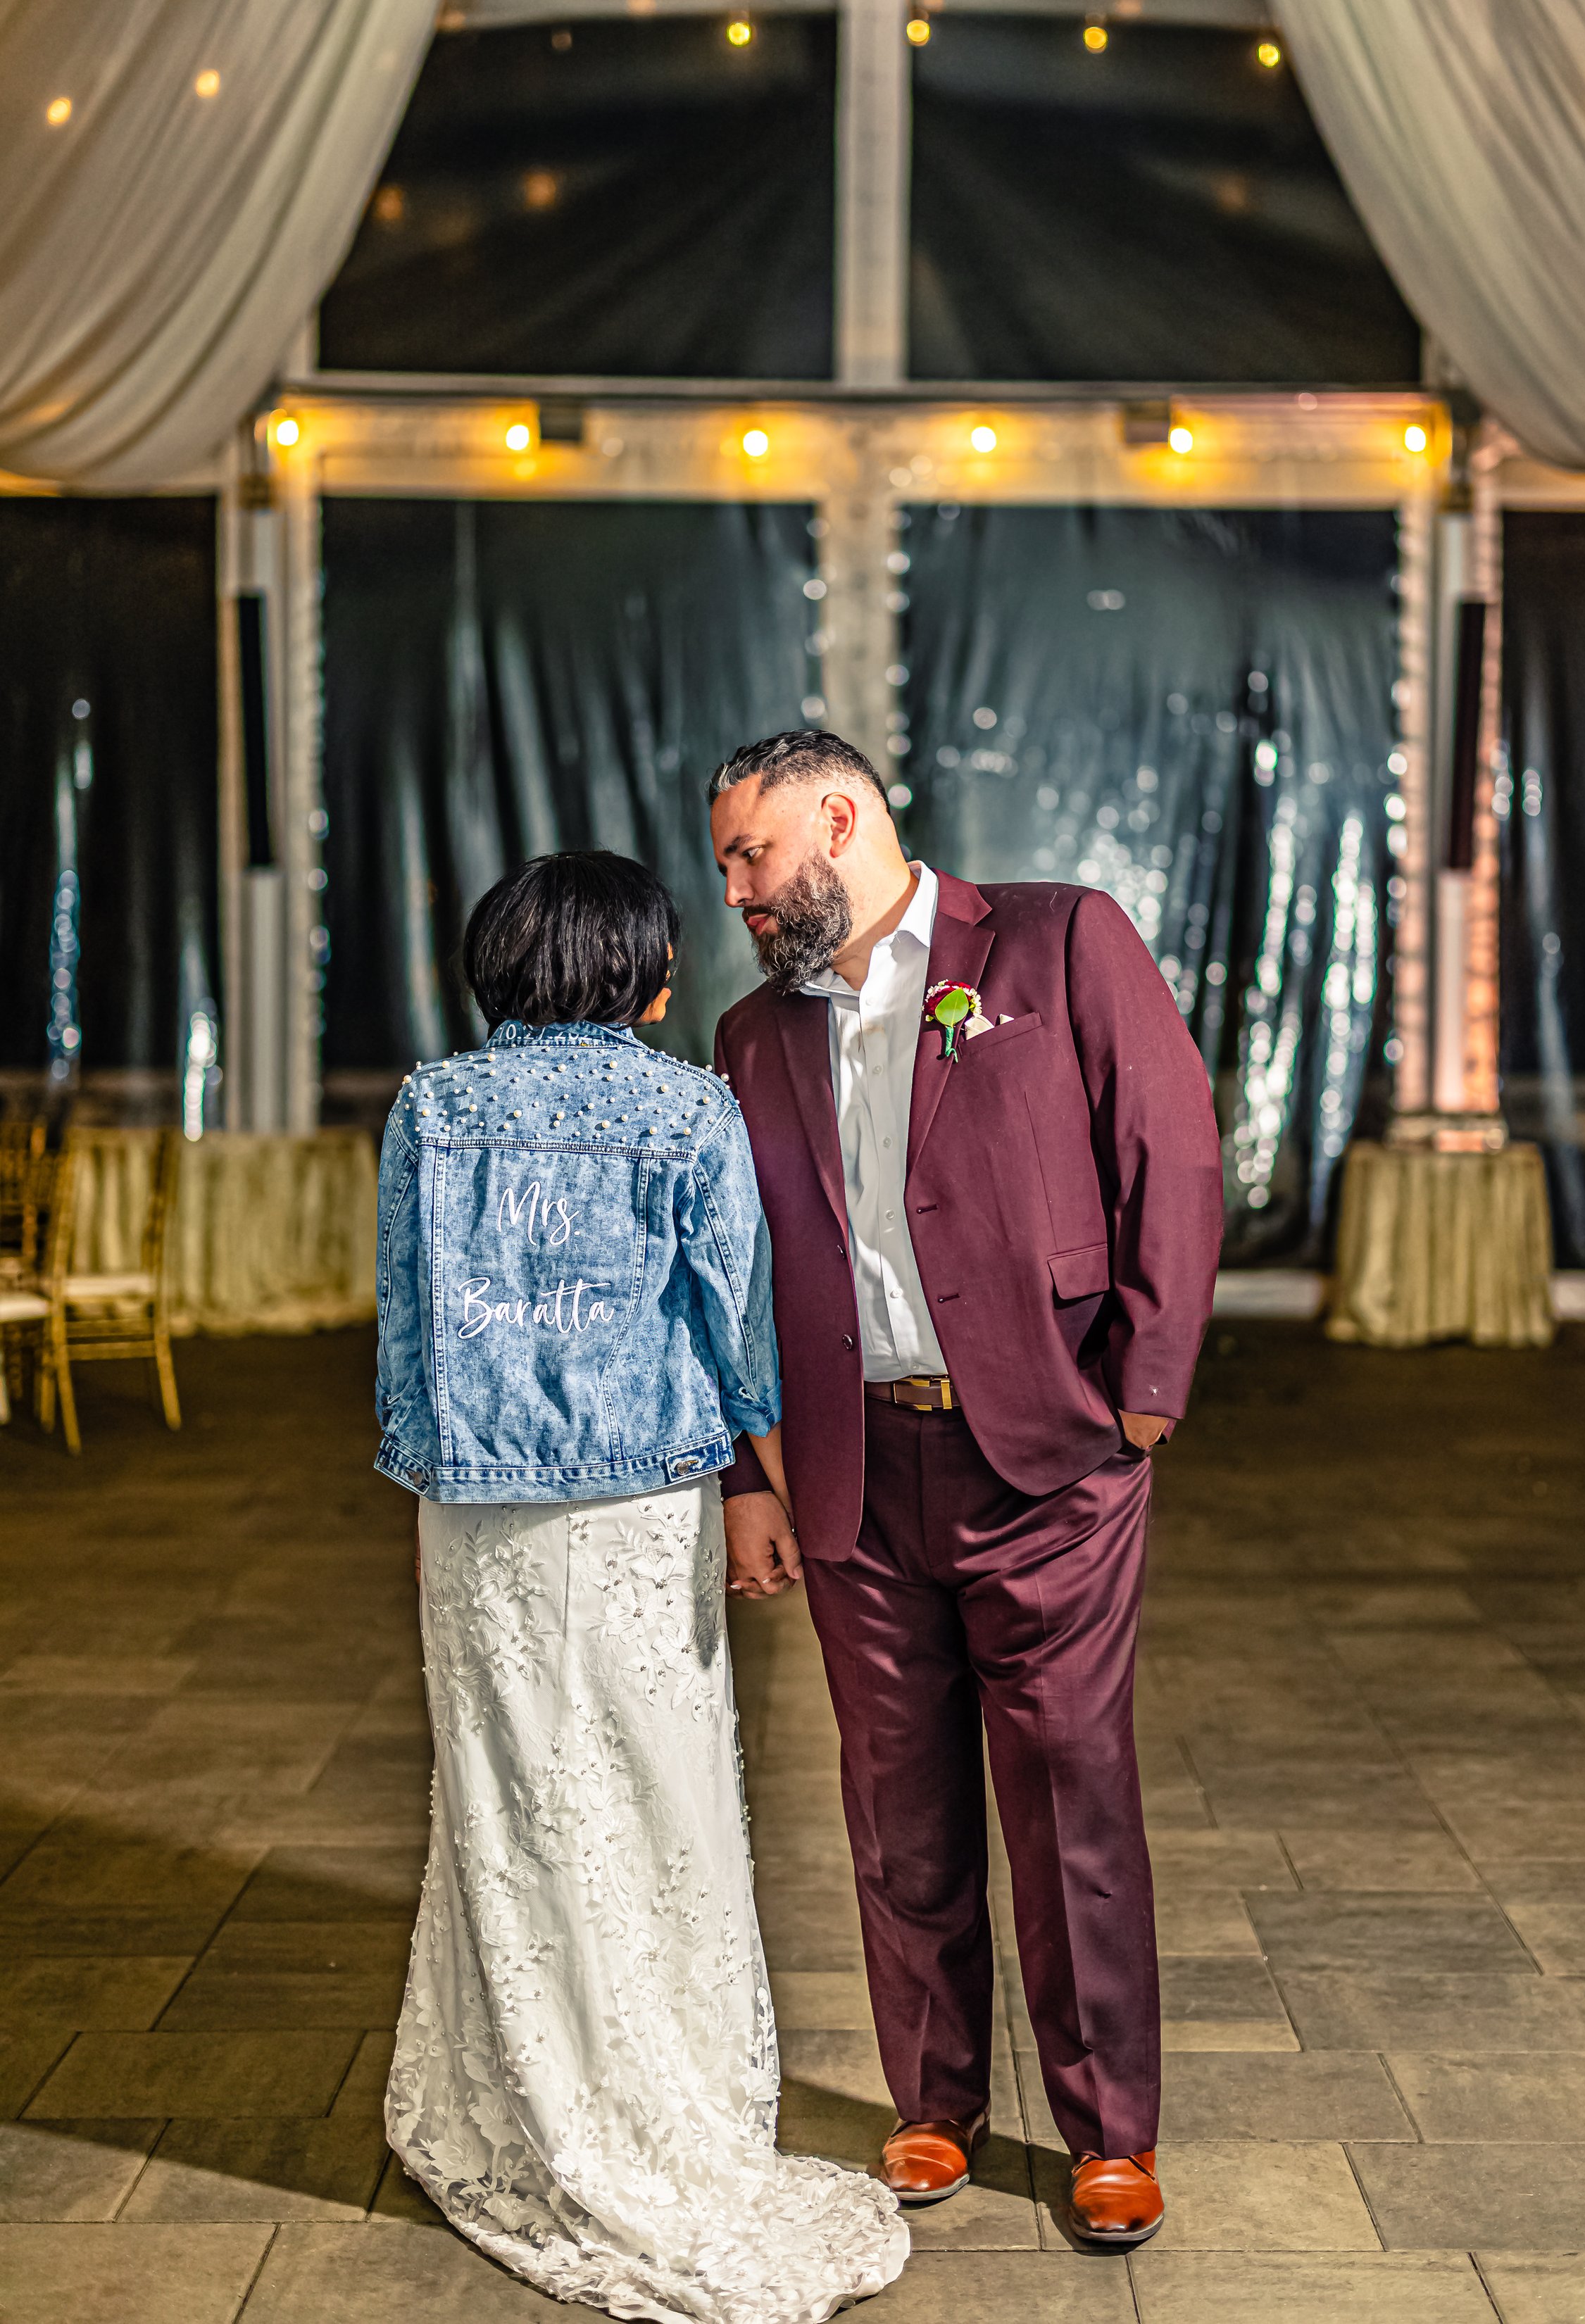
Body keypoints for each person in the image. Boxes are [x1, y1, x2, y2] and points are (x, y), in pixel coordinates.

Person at [372, 848, 909, 2321]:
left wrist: (439, 1467)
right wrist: (766, 1482)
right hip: (640, 1507)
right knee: (657, 1795)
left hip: (476, 1519)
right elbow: (734, 1325)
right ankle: (660, 2099)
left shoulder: (433, 1107)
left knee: (505, 1793)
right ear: (644, 975)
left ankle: (518, 2092)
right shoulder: (686, 1109)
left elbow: (408, 1330)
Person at [706, 734, 1223, 2250]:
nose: (731, 889)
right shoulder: (752, 1035)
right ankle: (931, 2102)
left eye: (748, 856)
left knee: (1069, 1793)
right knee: (896, 1811)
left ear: (838, 817)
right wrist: (754, 1470)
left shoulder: (1057, 942)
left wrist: (1142, 1392)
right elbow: (735, 1274)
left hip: (1049, 1457)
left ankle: (1106, 2131)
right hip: (853, 1473)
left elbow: (1171, 1156)